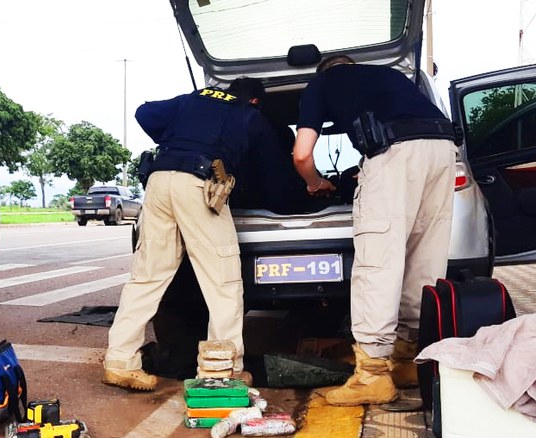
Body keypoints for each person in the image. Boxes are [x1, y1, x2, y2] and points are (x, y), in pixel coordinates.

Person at [292, 55, 459, 406]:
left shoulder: (322, 82)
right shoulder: (391, 77)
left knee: (378, 262)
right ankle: (408, 361)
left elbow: (302, 155)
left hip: (394, 150)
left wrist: (315, 182)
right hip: (443, 149)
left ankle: (372, 375)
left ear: (325, 70)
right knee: (424, 258)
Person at [102, 78, 274, 391]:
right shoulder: (247, 114)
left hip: (159, 182)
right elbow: (269, 167)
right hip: (199, 184)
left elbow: (144, 113)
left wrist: (176, 140)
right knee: (222, 282)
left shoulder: (191, 100)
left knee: (147, 277)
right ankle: (221, 371)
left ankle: (120, 361)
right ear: (254, 101)